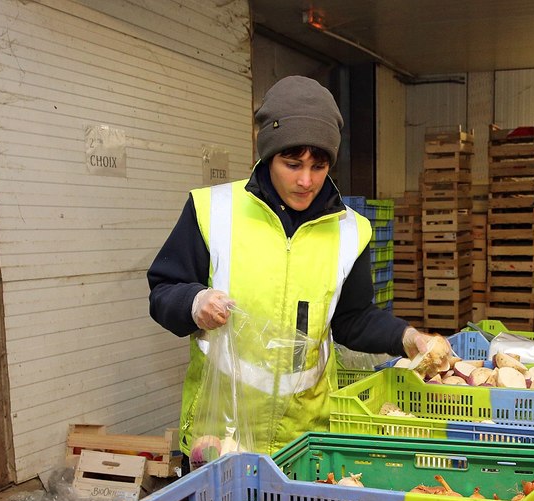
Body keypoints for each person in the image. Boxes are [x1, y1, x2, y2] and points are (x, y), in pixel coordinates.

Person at [147, 75, 443, 457]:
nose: (306, 180)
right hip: (221, 438)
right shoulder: (213, 211)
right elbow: (163, 291)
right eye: (292, 163)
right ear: (268, 154)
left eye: (319, 166)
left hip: (305, 442)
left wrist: (408, 338)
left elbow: (353, 318)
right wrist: (194, 302)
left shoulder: (350, 230)